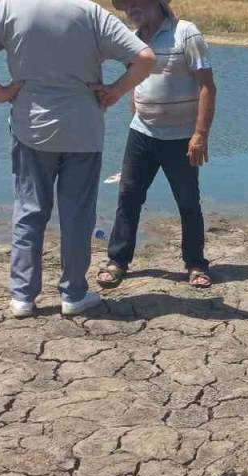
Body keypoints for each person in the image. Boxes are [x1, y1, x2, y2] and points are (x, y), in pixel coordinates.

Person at [0, 0, 155, 318]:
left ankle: (22, 297)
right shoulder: (89, 12)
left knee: (29, 212)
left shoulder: (8, 7)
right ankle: (73, 294)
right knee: (76, 216)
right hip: (83, 130)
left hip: (31, 128)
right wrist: (114, 91)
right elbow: (144, 58)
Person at [95, 0, 217, 290]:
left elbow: (207, 87)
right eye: (125, 5)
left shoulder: (186, 33)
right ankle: (117, 261)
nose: (130, 9)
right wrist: (134, 112)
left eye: (136, 2)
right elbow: (135, 82)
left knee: (188, 202)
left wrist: (200, 134)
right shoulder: (132, 39)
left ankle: (196, 264)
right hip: (141, 134)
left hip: (181, 138)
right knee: (128, 198)